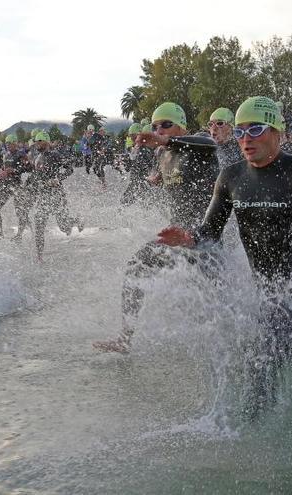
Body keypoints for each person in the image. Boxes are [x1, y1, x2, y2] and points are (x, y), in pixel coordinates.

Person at [96, 96, 292, 418]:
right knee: (263, 355)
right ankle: (258, 427)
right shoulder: (232, 177)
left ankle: (257, 432)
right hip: (264, 293)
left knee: (268, 356)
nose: (245, 139)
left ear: (277, 132)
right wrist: (189, 238)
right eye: (240, 132)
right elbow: (210, 231)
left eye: (255, 129)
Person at [93, 101, 219, 352]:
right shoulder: (162, 154)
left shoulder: (199, 146)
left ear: (182, 128)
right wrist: (157, 178)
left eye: (166, 124)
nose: (159, 129)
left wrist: (165, 143)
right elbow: (168, 175)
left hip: (203, 238)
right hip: (176, 237)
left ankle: (227, 339)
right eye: (155, 125)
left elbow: (211, 144)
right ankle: (125, 338)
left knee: (213, 296)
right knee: (136, 265)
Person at [28, 132, 84, 261]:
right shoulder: (37, 157)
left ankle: (77, 221)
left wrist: (57, 179)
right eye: (36, 141)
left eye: (40, 140)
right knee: (39, 225)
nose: (37, 143)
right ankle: (39, 256)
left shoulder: (55, 155)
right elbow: (36, 177)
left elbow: (69, 169)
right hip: (43, 196)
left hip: (56, 194)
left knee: (63, 226)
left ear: (47, 142)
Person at [0, 134, 32, 238]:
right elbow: (3, 169)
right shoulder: (6, 155)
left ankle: (21, 234)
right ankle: (0, 234)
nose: (8, 145)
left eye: (10, 143)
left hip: (17, 185)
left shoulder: (21, 154)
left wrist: (15, 170)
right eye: (6, 143)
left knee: (20, 211)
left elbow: (30, 168)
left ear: (15, 143)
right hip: (7, 186)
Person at [121, 123, 155, 206]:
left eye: (134, 136)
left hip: (143, 180)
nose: (132, 138)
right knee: (125, 202)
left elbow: (151, 165)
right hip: (136, 180)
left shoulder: (146, 148)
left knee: (146, 202)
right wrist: (126, 160)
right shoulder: (135, 148)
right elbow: (128, 168)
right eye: (131, 136)